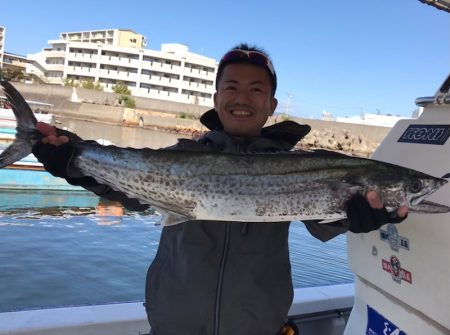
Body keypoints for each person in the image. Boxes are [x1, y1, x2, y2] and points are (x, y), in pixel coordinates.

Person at [32, 43, 408, 335]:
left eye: (255, 89)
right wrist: (74, 161)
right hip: (172, 324)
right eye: (232, 87)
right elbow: (132, 195)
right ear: (216, 98)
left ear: (271, 104)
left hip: (258, 325)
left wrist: (352, 215)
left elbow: (319, 223)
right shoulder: (183, 156)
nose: (242, 97)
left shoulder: (298, 165)